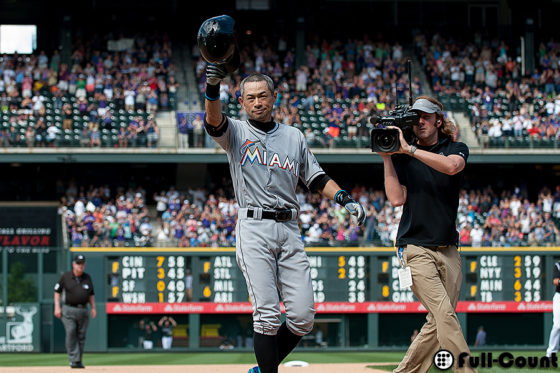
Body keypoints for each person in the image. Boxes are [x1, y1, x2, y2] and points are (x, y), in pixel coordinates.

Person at [203, 65, 365, 373]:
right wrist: (212, 86)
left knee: (303, 317)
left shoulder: (293, 136)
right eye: (250, 98)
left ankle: (263, 369)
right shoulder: (236, 131)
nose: (257, 102)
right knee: (265, 315)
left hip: (290, 227)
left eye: (263, 95)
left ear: (274, 97)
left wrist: (344, 197)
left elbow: (316, 177)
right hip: (254, 226)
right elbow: (213, 122)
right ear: (241, 101)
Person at [379, 96, 475, 373]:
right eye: (415, 117)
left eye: (425, 116)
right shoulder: (404, 158)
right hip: (415, 247)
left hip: (448, 248)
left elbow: (452, 167)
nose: (419, 121)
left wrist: (409, 150)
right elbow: (397, 199)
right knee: (444, 314)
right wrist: (388, 158)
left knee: (439, 319)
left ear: (438, 120)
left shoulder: (455, 147)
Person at [54, 254, 96, 369]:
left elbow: (91, 294)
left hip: (83, 309)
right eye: (78, 263)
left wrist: (93, 308)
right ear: (73, 264)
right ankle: (73, 359)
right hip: (69, 309)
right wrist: (57, 307)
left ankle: (78, 360)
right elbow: (57, 291)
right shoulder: (66, 277)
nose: (80, 266)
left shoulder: (87, 277)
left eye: (82, 264)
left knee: (81, 336)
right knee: (71, 332)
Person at [546, 261, 560, 358]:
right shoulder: (558, 265)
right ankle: (551, 353)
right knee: (558, 325)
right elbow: (555, 281)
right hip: (559, 296)